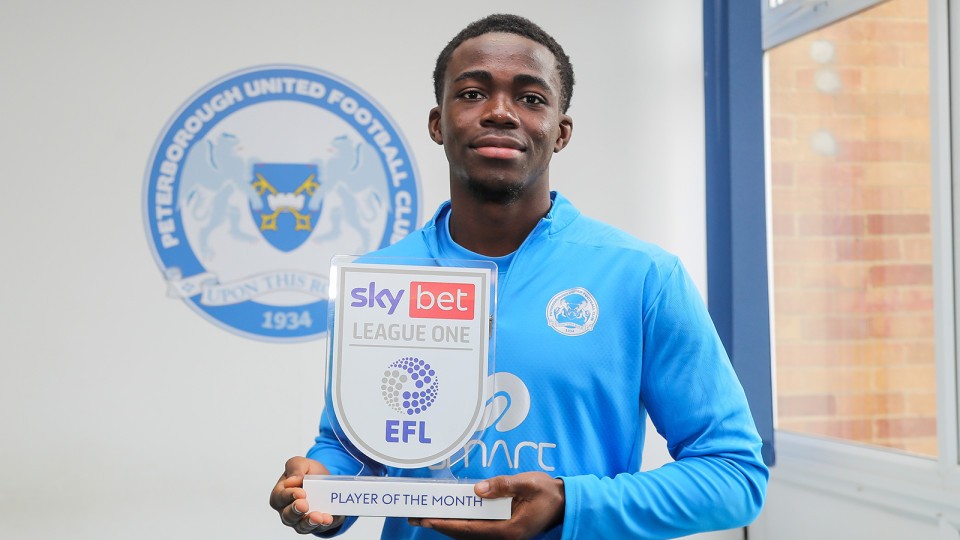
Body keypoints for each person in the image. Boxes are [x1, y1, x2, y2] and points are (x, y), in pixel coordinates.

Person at [269, 13, 768, 539]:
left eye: (531, 99)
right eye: (472, 93)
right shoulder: (376, 282)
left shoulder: (643, 277)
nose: (501, 113)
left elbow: (735, 477)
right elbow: (353, 450)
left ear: (561, 132)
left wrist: (571, 503)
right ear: (438, 123)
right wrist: (322, 487)